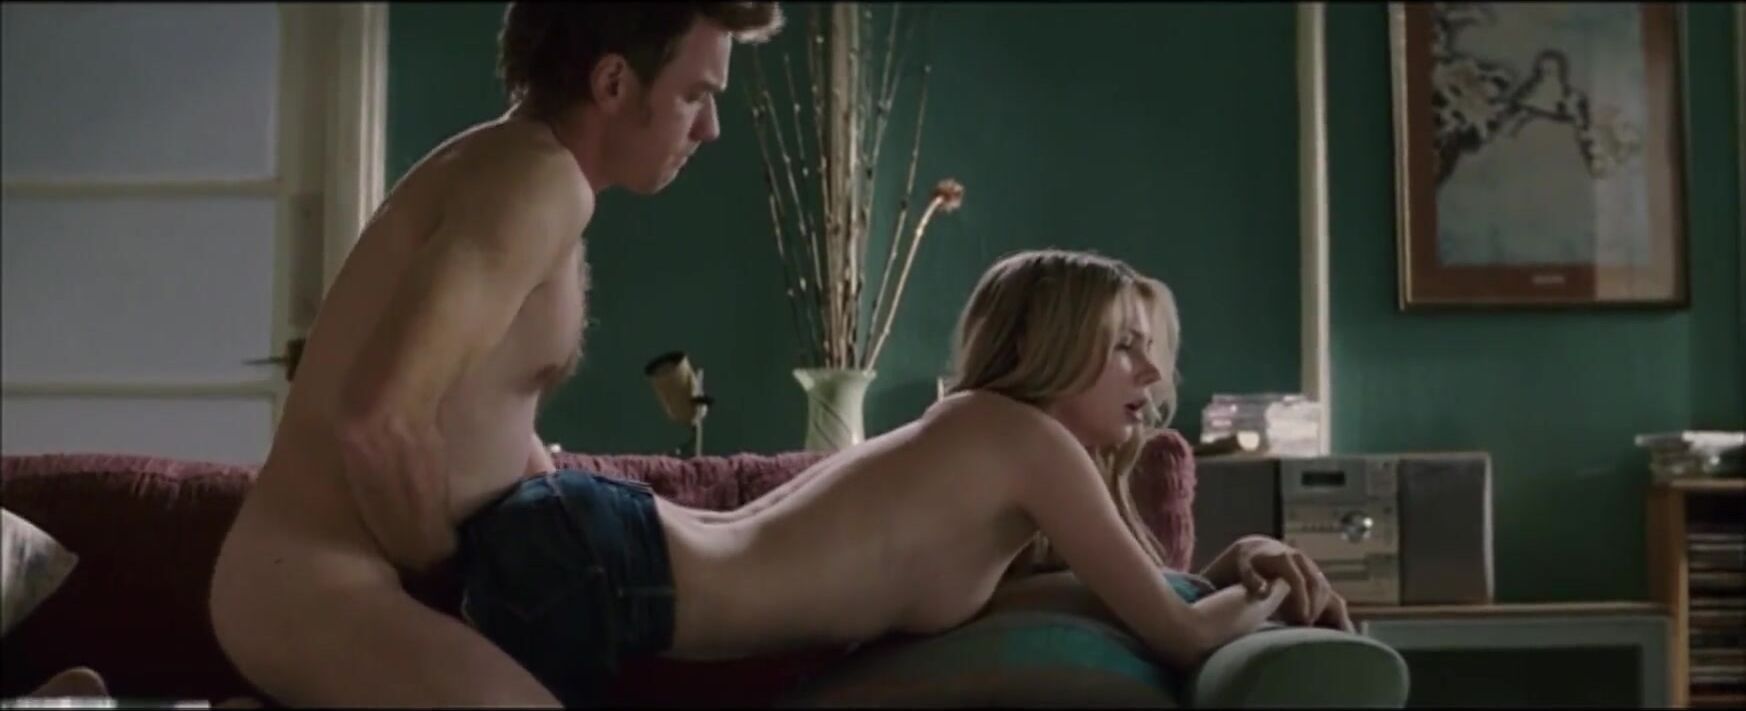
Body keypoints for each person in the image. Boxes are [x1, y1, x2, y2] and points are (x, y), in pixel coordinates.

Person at [450, 248, 1354, 706]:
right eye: (1125, 347)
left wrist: (1232, 566)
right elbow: (1181, 636)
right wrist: (1274, 587)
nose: (1151, 376)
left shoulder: (985, 445)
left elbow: (1090, 601)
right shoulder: (1026, 441)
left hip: (602, 547)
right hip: (611, 572)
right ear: (1052, 346)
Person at [207, 3, 786, 707]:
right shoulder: (535, 184)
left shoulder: (523, 166)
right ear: (612, 83)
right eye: (695, 95)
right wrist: (446, 573)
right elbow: (377, 420)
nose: (709, 128)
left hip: (329, 577)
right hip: (315, 580)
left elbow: (479, 404)